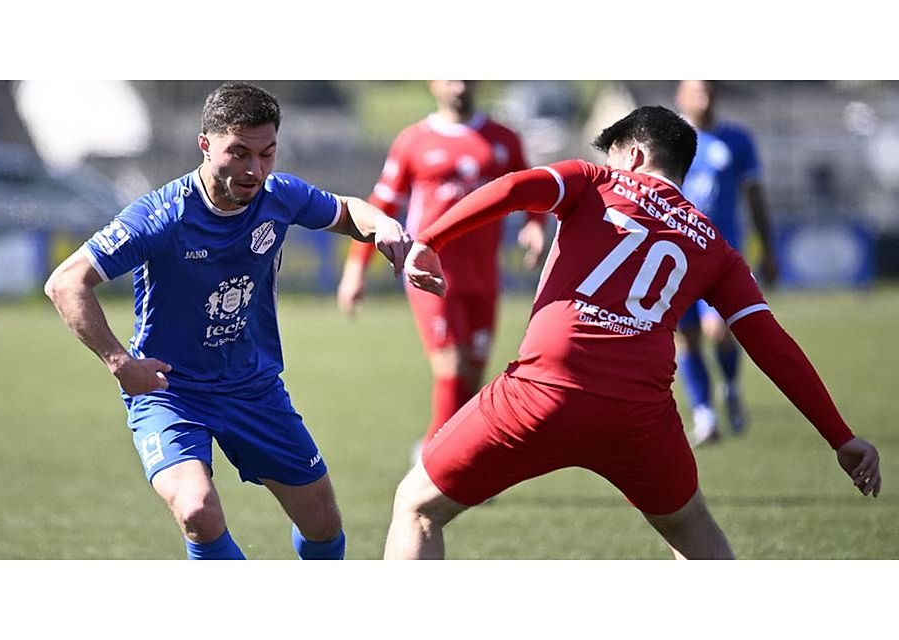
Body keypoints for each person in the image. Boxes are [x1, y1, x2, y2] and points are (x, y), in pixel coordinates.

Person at [383, 105, 881, 560]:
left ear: (636, 155)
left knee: (417, 507)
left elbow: (514, 188)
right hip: (639, 414)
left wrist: (430, 238)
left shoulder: (593, 179)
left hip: (542, 390)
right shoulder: (716, 248)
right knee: (691, 527)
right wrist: (840, 437)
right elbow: (772, 344)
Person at [44, 82, 411, 560]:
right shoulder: (161, 216)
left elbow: (346, 211)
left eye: (267, 153)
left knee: (323, 523)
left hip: (253, 387)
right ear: (205, 145)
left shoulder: (279, 196)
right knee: (197, 510)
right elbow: (66, 283)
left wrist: (383, 225)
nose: (254, 170)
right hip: (172, 391)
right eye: (238, 153)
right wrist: (119, 362)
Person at [336, 80, 546, 460]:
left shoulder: (503, 139)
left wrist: (534, 222)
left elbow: (528, 187)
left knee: (472, 375)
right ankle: (437, 463)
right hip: (429, 274)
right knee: (450, 365)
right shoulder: (413, 141)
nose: (460, 83)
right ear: (433, 82)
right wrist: (355, 269)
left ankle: (459, 460)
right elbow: (380, 205)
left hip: (483, 277)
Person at [674, 80, 778, 445]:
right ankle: (705, 415)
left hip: (723, 256)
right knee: (686, 338)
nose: (704, 98)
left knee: (718, 331)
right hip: (677, 258)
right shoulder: (669, 140)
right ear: (680, 96)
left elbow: (755, 196)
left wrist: (768, 248)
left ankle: (731, 386)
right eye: (696, 91)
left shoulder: (736, 140)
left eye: (709, 91)